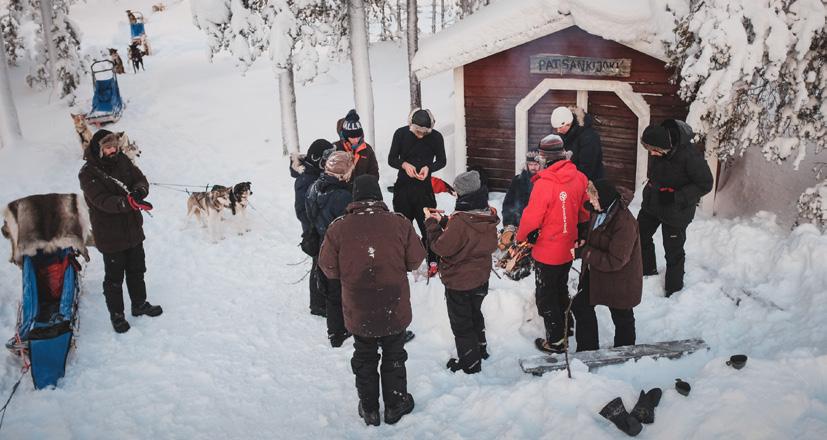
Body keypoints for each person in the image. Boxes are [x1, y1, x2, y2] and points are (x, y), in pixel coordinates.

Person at [319, 175, 426, 427]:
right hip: (394, 304)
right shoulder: (398, 223)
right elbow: (415, 260)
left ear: (354, 197)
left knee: (364, 355)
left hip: (359, 308)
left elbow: (328, 267)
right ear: (378, 196)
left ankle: (369, 409)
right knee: (394, 353)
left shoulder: (338, 227)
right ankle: (395, 404)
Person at [78, 129, 162, 333]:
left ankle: (139, 304)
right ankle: (117, 316)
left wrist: (140, 191)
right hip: (110, 234)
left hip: (132, 229)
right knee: (114, 279)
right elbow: (101, 201)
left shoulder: (123, 160)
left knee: (137, 270)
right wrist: (127, 203)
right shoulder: (87, 172)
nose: (113, 149)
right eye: (107, 147)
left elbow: (140, 178)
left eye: (114, 145)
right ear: (99, 149)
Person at [515, 134, 589, 353]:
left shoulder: (545, 184)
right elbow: (585, 210)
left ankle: (556, 341)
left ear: (545, 157)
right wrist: (580, 231)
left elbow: (532, 217)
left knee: (546, 297)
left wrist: (522, 237)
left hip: (547, 251)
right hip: (568, 248)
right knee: (561, 288)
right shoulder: (580, 178)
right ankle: (568, 326)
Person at [425, 171, 498, 374]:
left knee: (462, 324)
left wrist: (432, 224)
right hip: (481, 277)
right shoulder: (487, 213)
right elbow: (469, 233)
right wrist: (444, 221)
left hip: (459, 282)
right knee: (475, 313)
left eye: (456, 192)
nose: (455, 195)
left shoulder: (461, 220)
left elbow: (441, 247)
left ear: (464, 194)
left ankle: (470, 364)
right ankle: (480, 349)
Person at [638, 120, 713, 296]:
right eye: (649, 150)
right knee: (640, 237)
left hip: (676, 211)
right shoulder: (660, 149)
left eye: (654, 150)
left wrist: (676, 196)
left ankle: (673, 288)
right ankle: (648, 272)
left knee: (673, 251)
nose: (651, 154)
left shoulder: (690, 156)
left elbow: (706, 184)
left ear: (666, 147)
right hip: (653, 205)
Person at [572, 179, 642, 351]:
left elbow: (616, 260)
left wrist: (585, 253)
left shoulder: (624, 223)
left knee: (622, 316)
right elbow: (596, 234)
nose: (591, 202)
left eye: (594, 199)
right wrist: (583, 239)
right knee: (581, 306)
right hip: (598, 273)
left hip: (620, 279)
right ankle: (587, 350)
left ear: (603, 199)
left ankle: (625, 352)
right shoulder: (601, 210)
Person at [388, 108, 447, 275]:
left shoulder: (436, 137)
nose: (420, 135)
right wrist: (404, 165)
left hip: (424, 190)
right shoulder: (400, 134)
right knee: (403, 226)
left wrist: (429, 167)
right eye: (417, 131)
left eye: (424, 132)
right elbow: (391, 159)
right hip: (403, 188)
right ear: (411, 125)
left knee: (428, 225)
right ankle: (403, 260)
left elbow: (442, 160)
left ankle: (433, 260)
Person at [305, 151, 355, 347]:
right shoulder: (342, 196)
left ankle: (335, 333)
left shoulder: (314, 187)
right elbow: (349, 224)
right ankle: (347, 327)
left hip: (321, 244)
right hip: (339, 249)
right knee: (342, 289)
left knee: (331, 290)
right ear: (343, 174)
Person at [291, 139, 333, 317]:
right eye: (327, 157)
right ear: (317, 159)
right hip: (314, 231)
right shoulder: (305, 179)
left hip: (324, 227)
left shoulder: (319, 174)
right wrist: (317, 224)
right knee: (318, 264)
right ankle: (317, 304)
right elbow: (301, 210)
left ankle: (325, 299)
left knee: (325, 264)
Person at [500, 146, 542, 249]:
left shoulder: (544, 181)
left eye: (536, 164)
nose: (533, 167)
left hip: (538, 227)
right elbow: (508, 203)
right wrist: (509, 223)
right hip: (519, 224)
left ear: (541, 164)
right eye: (530, 164)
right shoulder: (518, 180)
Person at [550, 106, 605, 181]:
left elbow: (587, 168)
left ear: (568, 124)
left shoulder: (589, 137)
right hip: (568, 178)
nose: (558, 131)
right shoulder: (564, 134)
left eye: (560, 127)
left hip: (587, 182)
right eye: (556, 128)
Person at [334, 109, 379, 179]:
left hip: (362, 189)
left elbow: (374, 174)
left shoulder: (367, 150)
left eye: (358, 137)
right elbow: (329, 175)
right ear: (345, 136)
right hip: (341, 189)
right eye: (352, 137)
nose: (356, 140)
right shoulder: (335, 148)